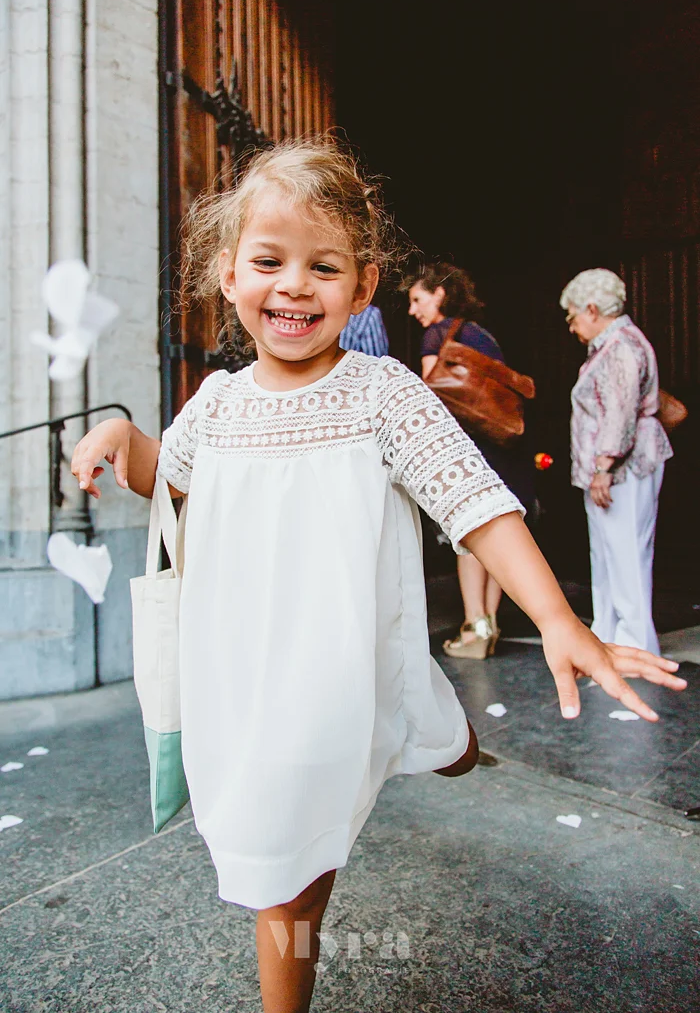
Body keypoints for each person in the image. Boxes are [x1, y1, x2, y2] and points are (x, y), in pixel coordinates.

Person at [72, 140, 684, 1013]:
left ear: (362, 288)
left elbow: (476, 503)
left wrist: (558, 619)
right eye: (270, 262)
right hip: (243, 678)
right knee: (286, 864)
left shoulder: (383, 392)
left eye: (323, 268)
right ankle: (437, 736)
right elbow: (166, 476)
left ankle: (435, 740)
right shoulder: (217, 403)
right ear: (228, 274)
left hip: (337, 666)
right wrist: (118, 438)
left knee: (292, 873)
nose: (295, 286)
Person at [407, 263, 535, 659]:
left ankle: (473, 627)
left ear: (439, 294)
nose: (413, 310)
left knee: (467, 537)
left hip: (466, 447)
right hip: (501, 448)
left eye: (417, 299)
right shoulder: (484, 336)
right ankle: (490, 624)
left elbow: (432, 399)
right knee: (495, 532)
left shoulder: (437, 335)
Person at [560, 268, 673, 654]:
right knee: (610, 554)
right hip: (615, 468)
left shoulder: (622, 346)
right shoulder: (610, 346)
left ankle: (635, 646)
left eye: (573, 315)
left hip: (625, 467)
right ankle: (609, 639)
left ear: (592, 309)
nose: (571, 325)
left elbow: (620, 413)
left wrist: (603, 468)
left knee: (626, 554)